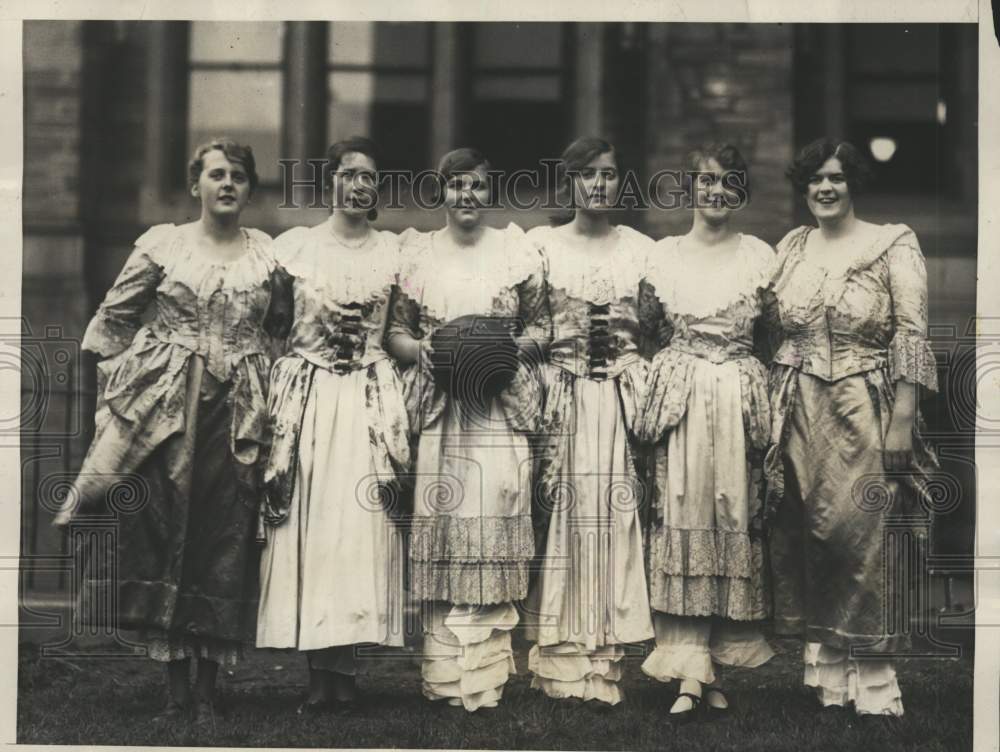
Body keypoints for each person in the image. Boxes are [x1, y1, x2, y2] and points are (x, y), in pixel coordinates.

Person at [54, 139, 287, 726]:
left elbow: (280, 332)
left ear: (249, 188)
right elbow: (110, 322)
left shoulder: (268, 258)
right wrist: (126, 394)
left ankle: (209, 691)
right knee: (166, 536)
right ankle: (175, 689)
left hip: (238, 413)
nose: (226, 183)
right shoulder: (165, 247)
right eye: (215, 174)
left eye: (237, 175)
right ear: (196, 186)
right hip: (167, 414)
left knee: (224, 539)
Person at [764, 138, 939, 717]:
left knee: (863, 535)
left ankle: (875, 682)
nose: (826, 188)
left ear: (853, 183)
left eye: (837, 177)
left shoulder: (892, 242)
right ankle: (828, 677)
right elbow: (773, 326)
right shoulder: (792, 246)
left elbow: (911, 333)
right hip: (797, 405)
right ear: (803, 186)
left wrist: (903, 420)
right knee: (811, 535)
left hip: (866, 402)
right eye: (815, 179)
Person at [386, 147, 550, 712]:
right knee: (445, 521)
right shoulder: (418, 255)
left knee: (494, 511)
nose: (467, 197)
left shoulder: (514, 251)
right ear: (442, 193)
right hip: (441, 409)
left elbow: (542, 327)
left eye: (477, 186)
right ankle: (445, 676)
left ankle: (484, 680)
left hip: (498, 408)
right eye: (457, 186)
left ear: (490, 191)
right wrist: (424, 350)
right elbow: (397, 332)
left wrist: (498, 349)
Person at [255, 137, 410, 712]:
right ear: (332, 182)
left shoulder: (393, 252)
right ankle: (318, 676)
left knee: (359, 532)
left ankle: (345, 672)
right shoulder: (296, 249)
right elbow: (273, 326)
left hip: (369, 401)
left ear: (378, 188)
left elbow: (398, 328)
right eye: (348, 175)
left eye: (369, 176)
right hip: (311, 400)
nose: (359, 185)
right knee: (310, 530)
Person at [636, 143, 776, 721]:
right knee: (682, 515)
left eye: (728, 183)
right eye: (706, 182)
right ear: (690, 187)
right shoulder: (664, 257)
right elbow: (645, 331)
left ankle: (713, 664)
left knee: (731, 518)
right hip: (683, 401)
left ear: (740, 192)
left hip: (739, 402)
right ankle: (687, 667)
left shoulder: (761, 257)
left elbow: (773, 335)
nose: (716, 192)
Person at [525, 137, 661, 707]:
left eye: (608, 175)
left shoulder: (642, 250)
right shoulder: (539, 247)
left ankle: (605, 663)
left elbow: (659, 330)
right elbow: (527, 325)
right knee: (561, 524)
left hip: (621, 404)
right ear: (570, 183)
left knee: (616, 523)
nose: (598, 185)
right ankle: (560, 664)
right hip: (563, 398)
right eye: (587, 176)